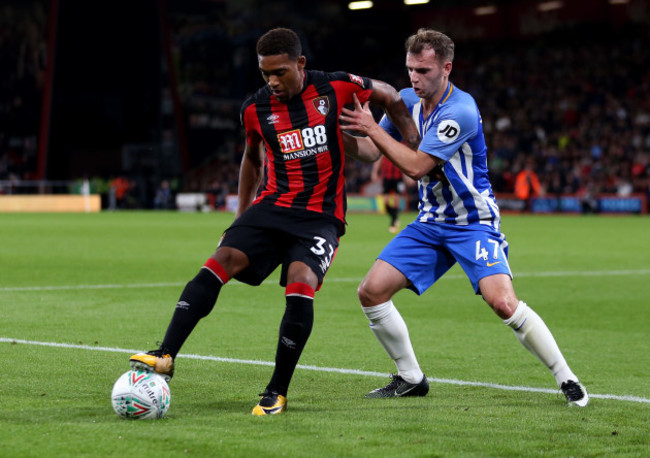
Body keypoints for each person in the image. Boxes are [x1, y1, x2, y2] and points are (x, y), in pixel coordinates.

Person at [129, 28, 419, 415]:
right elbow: (251, 158)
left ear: (300, 63)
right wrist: (239, 217)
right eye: (266, 73)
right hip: (271, 206)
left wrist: (412, 139)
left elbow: (388, 93)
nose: (272, 81)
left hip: (320, 215)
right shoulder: (255, 108)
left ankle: (276, 391)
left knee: (301, 283)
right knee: (219, 261)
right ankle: (165, 354)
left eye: (280, 72)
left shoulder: (336, 87)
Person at [339, 28, 589, 406]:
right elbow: (371, 153)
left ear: (446, 68)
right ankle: (410, 378)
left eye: (423, 70)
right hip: (430, 222)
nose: (414, 78)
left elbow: (418, 167)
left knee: (503, 303)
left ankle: (566, 377)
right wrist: (330, 131)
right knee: (371, 292)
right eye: (410, 69)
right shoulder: (405, 101)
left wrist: (373, 125)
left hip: (473, 223)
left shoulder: (460, 111)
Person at [371, 156, 405, 233]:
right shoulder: (385, 149)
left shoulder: (401, 147)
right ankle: (395, 218)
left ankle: (393, 224)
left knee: (396, 202)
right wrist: (374, 172)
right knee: (385, 203)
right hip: (387, 178)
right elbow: (378, 160)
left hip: (398, 178)